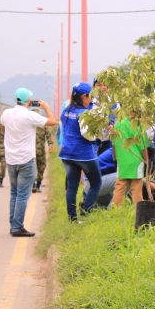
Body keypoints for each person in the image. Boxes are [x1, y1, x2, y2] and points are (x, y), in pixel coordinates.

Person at [0, 88, 58, 237]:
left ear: (15, 100)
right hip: (25, 160)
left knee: (14, 193)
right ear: (27, 101)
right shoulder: (30, 116)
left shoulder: (6, 114)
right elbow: (53, 122)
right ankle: (17, 227)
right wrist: (46, 108)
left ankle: (13, 225)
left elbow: (2, 126)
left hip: (11, 160)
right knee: (22, 195)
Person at [59, 82, 102, 222]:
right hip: (83, 154)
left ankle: (72, 218)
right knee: (96, 183)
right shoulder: (84, 113)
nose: (91, 99)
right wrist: (98, 135)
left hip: (67, 152)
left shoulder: (67, 110)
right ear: (84, 96)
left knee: (72, 187)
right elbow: (87, 135)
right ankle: (85, 212)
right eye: (90, 96)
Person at [111, 116, 149, 207]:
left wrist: (115, 158)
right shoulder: (139, 125)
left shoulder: (118, 125)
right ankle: (138, 210)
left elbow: (113, 144)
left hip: (122, 160)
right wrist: (147, 161)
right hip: (136, 161)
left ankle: (114, 211)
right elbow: (143, 147)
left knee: (119, 187)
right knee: (136, 189)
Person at [33, 119, 54, 193]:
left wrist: (50, 145)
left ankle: (37, 184)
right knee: (32, 168)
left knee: (41, 167)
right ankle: (34, 185)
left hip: (40, 151)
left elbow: (48, 136)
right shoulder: (28, 124)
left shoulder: (43, 125)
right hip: (31, 151)